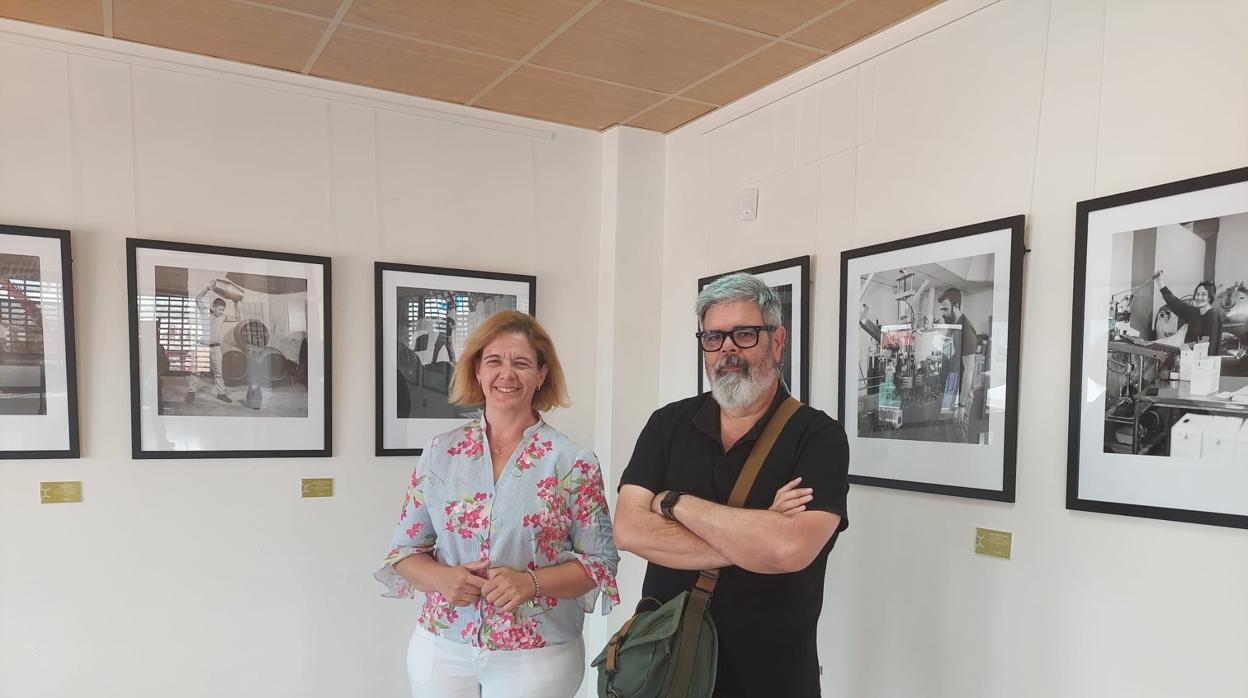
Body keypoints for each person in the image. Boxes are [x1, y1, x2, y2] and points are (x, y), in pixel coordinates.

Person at [613, 273, 849, 698]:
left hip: (772, 675)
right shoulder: (667, 424)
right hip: (666, 666)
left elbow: (789, 549)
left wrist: (673, 503)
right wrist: (758, 534)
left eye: (744, 335)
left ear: (777, 342)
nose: (727, 350)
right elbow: (628, 529)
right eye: (714, 337)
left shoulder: (818, 437)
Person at [376, 310, 619, 698]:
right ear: (477, 371)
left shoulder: (572, 461)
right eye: (494, 361)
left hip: (536, 655)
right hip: (442, 647)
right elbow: (403, 552)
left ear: (541, 375)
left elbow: (601, 565)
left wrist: (532, 582)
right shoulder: (440, 452)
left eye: (521, 363)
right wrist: (443, 579)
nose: (506, 374)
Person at [187, 284, 232, 404]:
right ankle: (191, 392)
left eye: (223, 309)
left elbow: (238, 317)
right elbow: (197, 299)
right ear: (214, 307)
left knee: (218, 372)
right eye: (219, 309)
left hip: (216, 348)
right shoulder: (204, 312)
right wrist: (207, 288)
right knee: (196, 371)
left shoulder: (223, 317)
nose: (221, 311)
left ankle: (221, 393)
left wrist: (236, 302)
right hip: (202, 346)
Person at [1158, 274, 1223, 355]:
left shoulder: (1213, 314)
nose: (1199, 297)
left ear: (1210, 297)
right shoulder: (1194, 313)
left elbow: (1207, 343)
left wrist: (1186, 345)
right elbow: (1174, 303)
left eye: (1203, 294)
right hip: (1189, 357)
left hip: (1204, 361)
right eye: (1197, 294)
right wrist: (1159, 281)